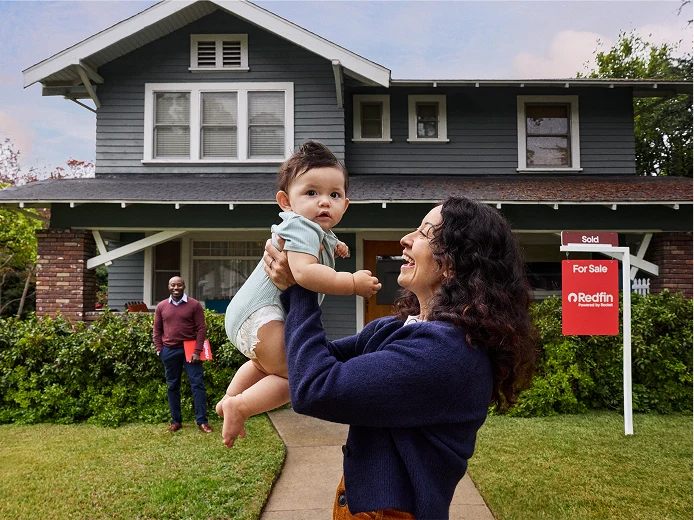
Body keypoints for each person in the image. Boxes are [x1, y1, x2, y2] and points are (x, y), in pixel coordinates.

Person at [264, 197, 538, 520]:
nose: (406, 239)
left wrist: (301, 284)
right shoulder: (399, 328)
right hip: (362, 506)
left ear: (453, 262)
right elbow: (305, 363)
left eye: (425, 232)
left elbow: (315, 387)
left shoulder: (449, 352)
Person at [218, 141, 381, 448]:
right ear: (286, 201)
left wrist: (335, 246)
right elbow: (304, 275)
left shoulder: (313, 230)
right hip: (261, 315)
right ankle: (239, 406)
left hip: (250, 315)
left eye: (334, 195)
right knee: (298, 377)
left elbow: (319, 245)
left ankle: (229, 397)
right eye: (311, 193)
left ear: (345, 204)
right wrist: (352, 283)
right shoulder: (302, 227)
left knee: (263, 365)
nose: (324, 202)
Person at [153, 276, 213, 433]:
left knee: (197, 385)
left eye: (179, 285)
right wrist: (159, 349)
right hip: (169, 350)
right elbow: (157, 329)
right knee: (173, 386)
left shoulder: (194, 305)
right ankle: (176, 421)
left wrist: (197, 351)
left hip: (190, 350)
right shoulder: (161, 306)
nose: (176, 288)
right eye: (173, 285)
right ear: (168, 287)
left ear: (184, 286)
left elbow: (201, 328)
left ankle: (202, 421)